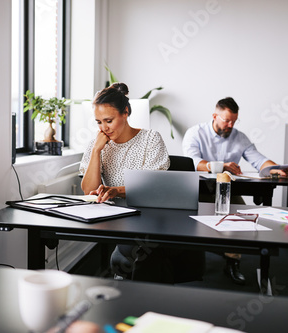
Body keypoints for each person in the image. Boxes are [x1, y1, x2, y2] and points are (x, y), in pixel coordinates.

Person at [80, 83, 204, 283]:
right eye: (98, 122)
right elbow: (89, 190)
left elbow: (153, 188)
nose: (104, 128)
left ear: (126, 112)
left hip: (152, 218)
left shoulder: (150, 139)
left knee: (146, 253)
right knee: (141, 254)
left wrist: (116, 191)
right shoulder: (98, 144)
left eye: (109, 121)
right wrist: (96, 151)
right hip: (118, 219)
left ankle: (142, 299)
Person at [182, 97, 288, 285]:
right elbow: (192, 162)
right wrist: (220, 166)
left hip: (228, 188)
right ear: (214, 116)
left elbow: (259, 160)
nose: (230, 125)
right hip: (199, 188)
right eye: (226, 120)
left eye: (234, 121)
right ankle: (193, 261)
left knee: (241, 219)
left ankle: (233, 261)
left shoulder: (239, 137)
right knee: (195, 220)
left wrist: (276, 168)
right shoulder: (195, 133)